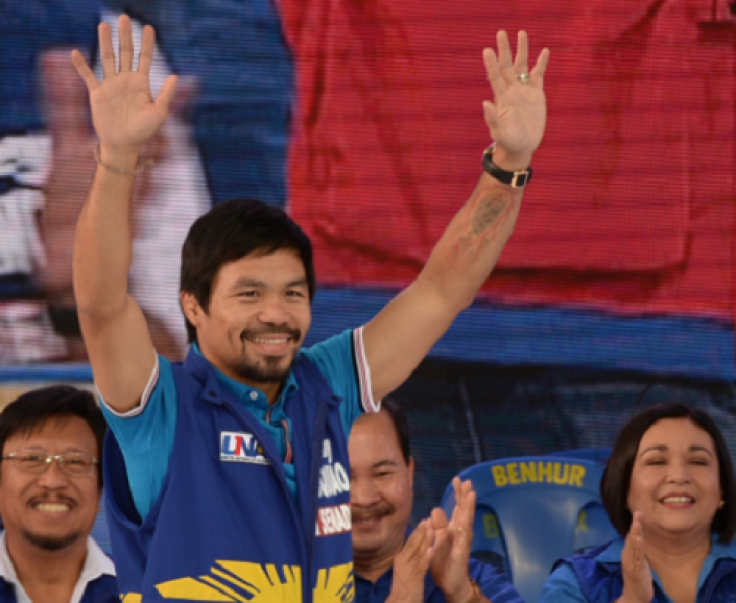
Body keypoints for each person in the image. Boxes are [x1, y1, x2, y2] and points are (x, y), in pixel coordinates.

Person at [69, 14, 549, 602]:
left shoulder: (328, 387)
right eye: (249, 294)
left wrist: (508, 164)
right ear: (192, 306)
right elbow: (99, 305)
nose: (276, 314)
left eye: (292, 293)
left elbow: (442, 289)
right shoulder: (161, 412)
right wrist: (118, 158)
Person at [539, 403, 736, 603]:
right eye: (656, 461)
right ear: (624, 489)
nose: (679, 476)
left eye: (698, 461)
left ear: (722, 488)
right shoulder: (575, 585)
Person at [350, 399, 523, 603]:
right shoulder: (302, 582)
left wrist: (463, 594)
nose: (364, 499)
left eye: (382, 474)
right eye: (342, 477)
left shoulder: (462, 574)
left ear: (409, 474)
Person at [0, 385, 117, 603]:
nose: (53, 481)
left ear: (101, 487)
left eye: (75, 462)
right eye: (32, 459)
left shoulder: (143, 591)